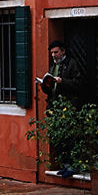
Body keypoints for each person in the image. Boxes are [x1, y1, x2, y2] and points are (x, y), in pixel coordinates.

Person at [42, 40, 84, 176]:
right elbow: (51, 89)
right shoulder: (53, 67)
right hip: (55, 107)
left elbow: (79, 84)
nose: (54, 55)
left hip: (69, 107)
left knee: (70, 138)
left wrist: (62, 81)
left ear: (63, 51)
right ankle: (66, 165)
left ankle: (74, 166)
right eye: (52, 53)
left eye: (56, 52)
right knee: (59, 139)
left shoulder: (72, 64)